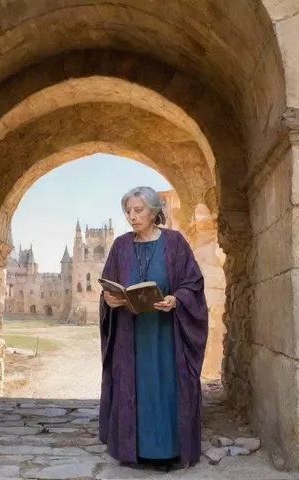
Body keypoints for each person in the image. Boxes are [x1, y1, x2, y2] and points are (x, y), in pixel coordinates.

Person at [98, 186, 209, 472]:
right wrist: (111, 298)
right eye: (128, 211)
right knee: (135, 388)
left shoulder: (175, 243)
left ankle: (168, 451)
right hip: (129, 334)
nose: (132, 217)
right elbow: (108, 285)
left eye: (139, 211)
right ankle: (135, 451)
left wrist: (176, 299)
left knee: (164, 388)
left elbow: (193, 282)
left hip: (165, 334)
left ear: (154, 211)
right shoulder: (121, 246)